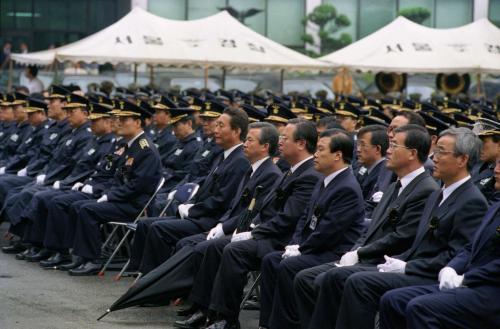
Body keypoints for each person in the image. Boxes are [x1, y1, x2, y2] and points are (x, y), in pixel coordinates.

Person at [334, 127, 488, 329]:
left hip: (432, 276)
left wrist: (407, 266)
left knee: (359, 282)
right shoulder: (438, 194)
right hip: (414, 268)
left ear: (462, 160)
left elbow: (454, 255)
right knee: (349, 277)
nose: (435, 157)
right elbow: (420, 244)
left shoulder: (472, 201)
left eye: (441, 152)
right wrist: (398, 261)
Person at [175, 119, 321, 329]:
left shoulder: (308, 175)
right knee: (215, 246)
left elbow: (288, 218)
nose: (279, 142)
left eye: (285, 138)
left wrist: (255, 232)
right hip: (268, 233)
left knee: (233, 250)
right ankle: (207, 311)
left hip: (281, 240)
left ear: (301, 143)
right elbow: (264, 209)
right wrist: (248, 228)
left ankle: (227, 319)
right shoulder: (291, 170)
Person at [293, 124, 440, 329]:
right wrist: (355, 251)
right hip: (370, 255)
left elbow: (402, 237)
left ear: (412, 154)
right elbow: (369, 229)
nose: (387, 150)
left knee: (334, 278)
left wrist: (360, 253)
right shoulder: (396, 185)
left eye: (395, 145)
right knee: (305, 278)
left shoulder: (425, 189)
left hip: (389, 260)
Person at [256, 129, 365, 329]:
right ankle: (268, 323)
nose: (315, 154)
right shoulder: (325, 179)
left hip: (333, 252)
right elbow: (304, 219)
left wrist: (302, 249)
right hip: (315, 247)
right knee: (272, 259)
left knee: (289, 265)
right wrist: (295, 244)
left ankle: (287, 324)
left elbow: (329, 232)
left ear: (338, 155)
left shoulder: (346, 187)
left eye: (321, 150)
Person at [378, 152, 500, 329]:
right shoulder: (496, 206)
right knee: (393, 300)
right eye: (496, 164)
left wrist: (465, 278)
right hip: (471, 284)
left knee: (421, 308)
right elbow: (470, 247)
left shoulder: (476, 200)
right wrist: (452, 267)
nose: (496, 170)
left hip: (491, 291)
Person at [128, 108, 250, 274]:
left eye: (221, 126)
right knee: (145, 223)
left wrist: (192, 209)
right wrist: (190, 203)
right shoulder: (225, 155)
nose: (215, 130)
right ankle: (142, 274)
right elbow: (206, 189)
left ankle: (156, 280)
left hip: (210, 220)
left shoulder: (240, 160)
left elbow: (222, 200)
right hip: (201, 214)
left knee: (158, 229)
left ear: (236, 131)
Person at [67, 99, 163, 276]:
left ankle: (93, 260)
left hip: (135, 205)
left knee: (88, 210)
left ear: (137, 122)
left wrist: (111, 196)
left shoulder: (145, 149)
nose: (119, 122)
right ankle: (83, 256)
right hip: (123, 199)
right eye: (118, 118)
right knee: (80, 205)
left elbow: (138, 186)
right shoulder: (129, 146)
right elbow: (118, 177)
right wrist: (106, 192)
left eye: (124, 119)